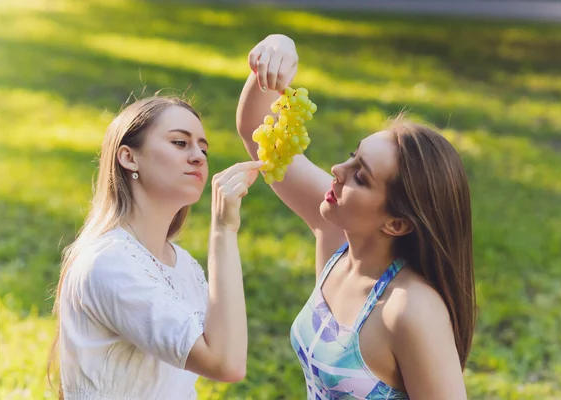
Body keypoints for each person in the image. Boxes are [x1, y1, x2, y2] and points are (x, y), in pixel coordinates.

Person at [236, 34, 476, 399]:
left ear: (397, 224)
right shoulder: (338, 233)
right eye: (352, 155)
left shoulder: (410, 311)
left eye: (361, 176)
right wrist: (278, 48)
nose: (337, 169)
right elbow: (259, 134)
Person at [47, 96, 263, 399]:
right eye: (180, 143)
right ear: (128, 157)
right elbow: (225, 364)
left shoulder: (182, 264)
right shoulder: (109, 262)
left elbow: (225, 351)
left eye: (203, 148)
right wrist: (224, 230)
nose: (198, 156)